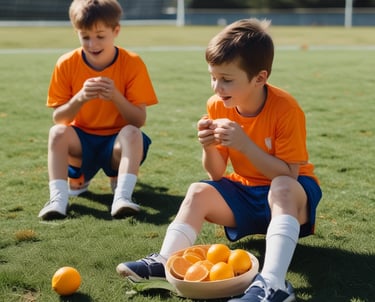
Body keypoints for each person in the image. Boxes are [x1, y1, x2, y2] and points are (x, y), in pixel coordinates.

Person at [116, 18, 322, 302]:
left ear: (259, 78)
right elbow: (216, 174)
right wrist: (209, 146)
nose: (216, 87)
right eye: (213, 76)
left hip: (292, 195)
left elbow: (288, 172)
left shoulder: (286, 109)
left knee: (282, 187)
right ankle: (165, 262)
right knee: (198, 190)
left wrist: (244, 145)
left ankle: (273, 285)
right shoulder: (217, 105)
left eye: (226, 79)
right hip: (246, 191)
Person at [38, 0, 158, 220]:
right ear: (77, 33)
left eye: (100, 36)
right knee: (56, 133)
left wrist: (116, 97)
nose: (92, 44)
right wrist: (81, 97)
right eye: (85, 36)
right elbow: (59, 119)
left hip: (116, 144)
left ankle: (122, 196)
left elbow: (138, 120)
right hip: (80, 144)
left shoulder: (132, 62)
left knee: (133, 133)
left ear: (116, 30)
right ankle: (58, 199)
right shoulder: (66, 63)